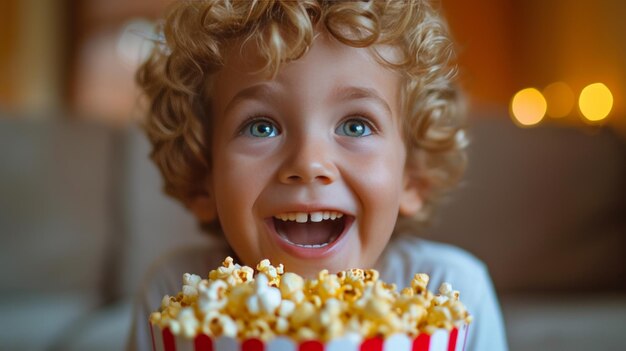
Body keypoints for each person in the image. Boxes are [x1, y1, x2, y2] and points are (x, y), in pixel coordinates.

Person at [127, 1, 508, 350]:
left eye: (356, 126)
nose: (308, 163)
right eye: (261, 127)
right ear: (203, 175)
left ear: (412, 176)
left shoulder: (456, 292)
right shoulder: (174, 295)